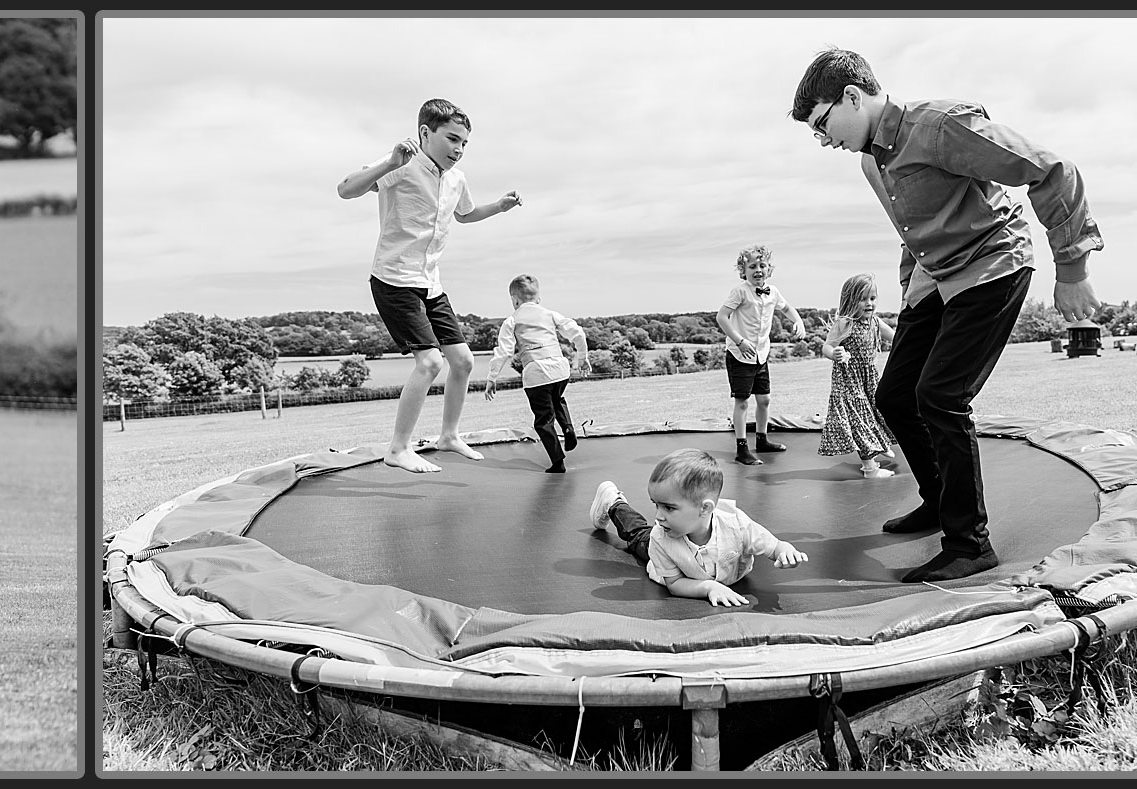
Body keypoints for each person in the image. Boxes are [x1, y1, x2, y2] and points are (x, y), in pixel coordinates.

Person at [790, 48, 1104, 582]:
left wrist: (1071, 269)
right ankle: (938, 502)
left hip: (991, 263)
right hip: (935, 277)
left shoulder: (938, 127)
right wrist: (912, 296)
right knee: (892, 396)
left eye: (823, 123)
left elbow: (1052, 170)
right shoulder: (872, 160)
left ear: (852, 97)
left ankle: (969, 544)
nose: (823, 139)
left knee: (940, 395)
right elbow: (912, 231)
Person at [335, 98, 523, 473]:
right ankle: (398, 448)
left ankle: (449, 436)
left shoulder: (456, 178)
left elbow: (466, 214)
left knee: (464, 361)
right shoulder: (400, 164)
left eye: (464, 143)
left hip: (430, 284)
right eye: (452, 139)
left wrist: (499, 207)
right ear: (425, 133)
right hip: (394, 280)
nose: (459, 149)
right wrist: (389, 163)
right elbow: (345, 189)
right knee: (430, 361)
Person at [588, 449, 810, 607]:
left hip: (685, 541)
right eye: (656, 505)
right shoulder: (659, 537)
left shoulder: (736, 524)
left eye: (668, 507)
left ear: (705, 508)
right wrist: (708, 588)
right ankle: (614, 503)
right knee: (638, 536)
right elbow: (674, 584)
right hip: (662, 555)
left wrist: (785, 552)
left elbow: (773, 547)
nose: (658, 516)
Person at [481, 274, 589, 473]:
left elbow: (504, 351)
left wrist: (492, 377)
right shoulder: (550, 314)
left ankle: (558, 462)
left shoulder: (512, 320)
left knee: (543, 419)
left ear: (514, 300)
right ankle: (568, 428)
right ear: (538, 298)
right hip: (560, 369)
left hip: (536, 371)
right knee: (557, 399)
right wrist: (582, 357)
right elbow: (577, 333)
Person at [715, 246, 808, 466]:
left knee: (764, 400)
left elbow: (788, 309)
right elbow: (722, 317)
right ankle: (741, 448)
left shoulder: (773, 292)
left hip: (761, 354)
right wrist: (739, 340)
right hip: (740, 354)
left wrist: (799, 321)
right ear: (743, 271)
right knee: (743, 402)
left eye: (762, 265)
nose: (758, 270)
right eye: (752, 266)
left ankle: (762, 440)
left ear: (769, 269)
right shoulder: (740, 292)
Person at [817, 274, 901, 478]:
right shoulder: (845, 323)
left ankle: (879, 444)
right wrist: (834, 354)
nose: (869, 303)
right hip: (848, 380)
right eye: (863, 299)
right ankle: (870, 468)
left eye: (872, 298)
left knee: (878, 411)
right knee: (860, 418)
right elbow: (827, 346)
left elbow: (898, 339)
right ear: (850, 300)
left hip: (869, 378)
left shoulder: (875, 322)